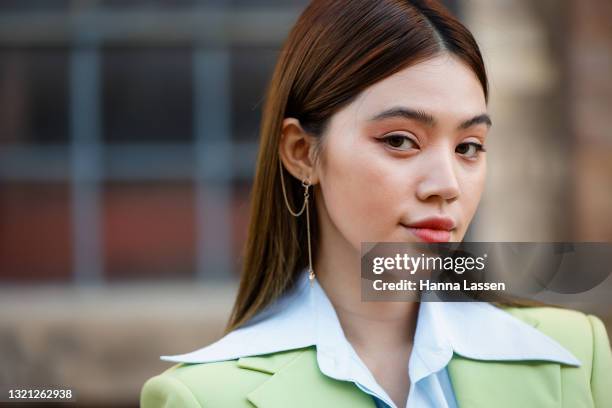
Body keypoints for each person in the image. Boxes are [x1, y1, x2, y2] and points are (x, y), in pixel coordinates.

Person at [140, 0, 612, 407]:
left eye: (468, 146)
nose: (446, 185)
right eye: (401, 140)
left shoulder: (573, 356)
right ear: (302, 153)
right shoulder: (204, 397)